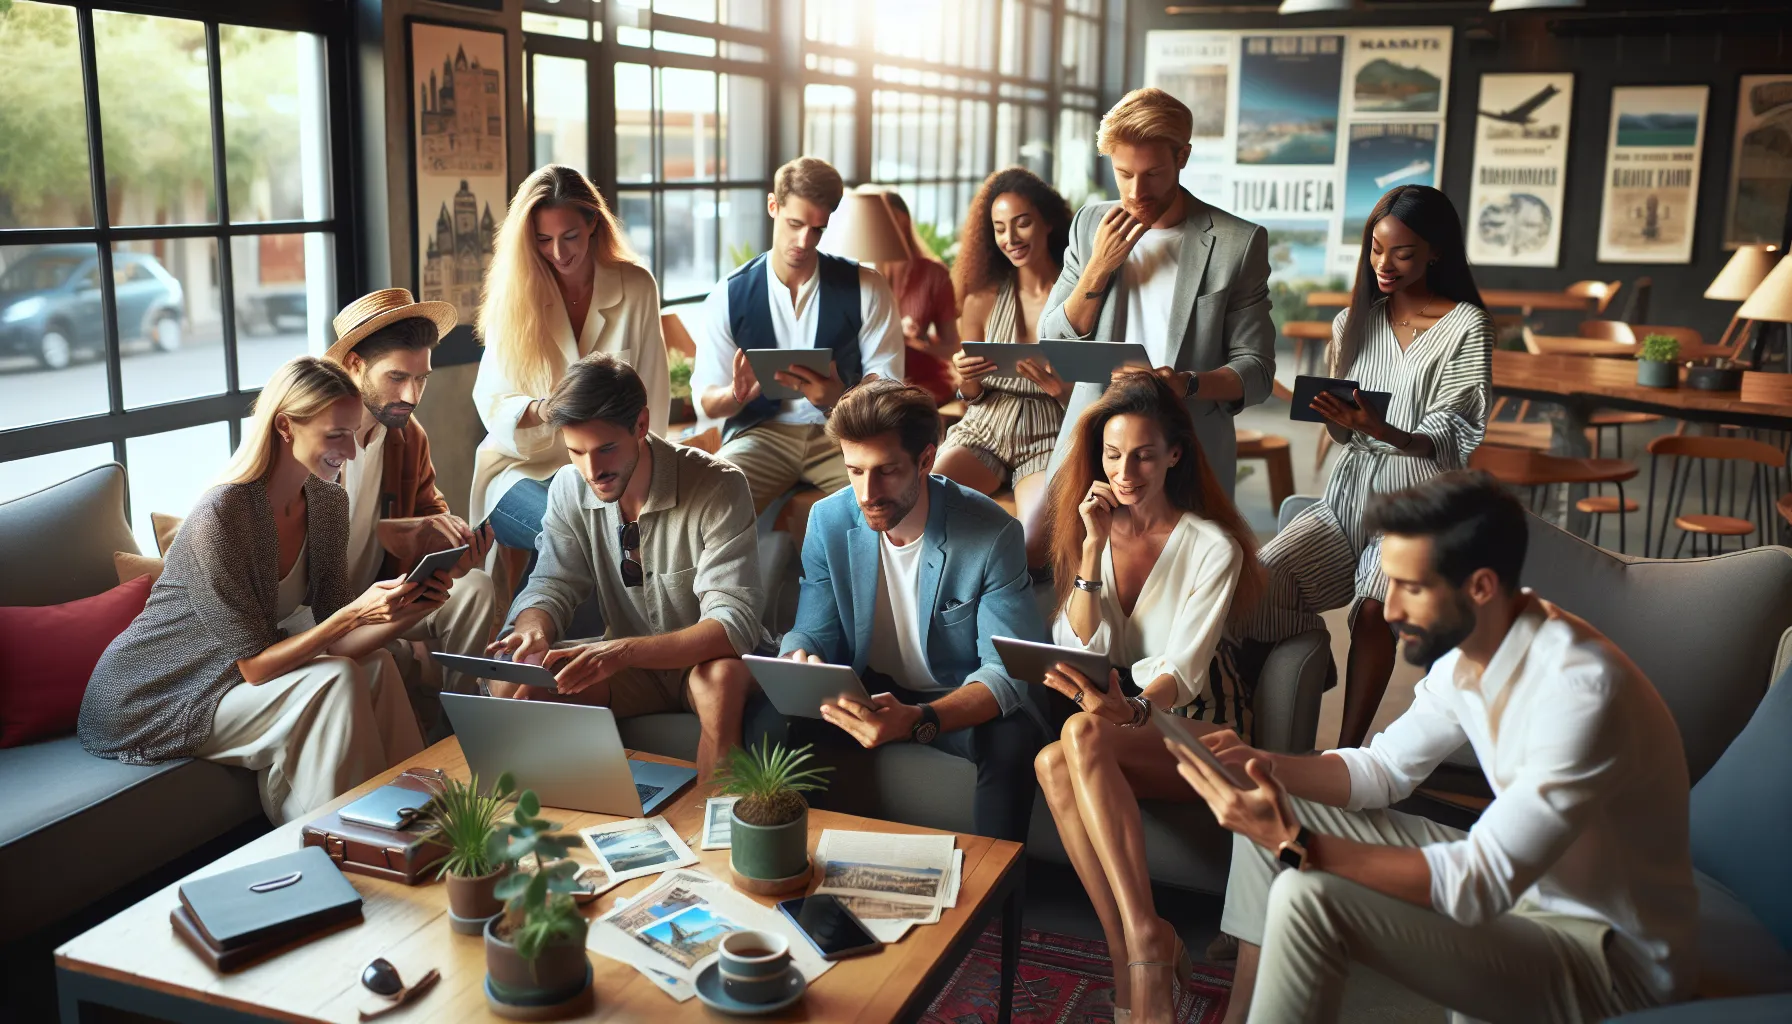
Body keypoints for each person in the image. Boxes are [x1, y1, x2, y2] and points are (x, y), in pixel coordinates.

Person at [1174, 471, 1695, 1024]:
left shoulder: (1579, 692)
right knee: (1274, 798)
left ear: (1481, 587)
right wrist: (1259, 763)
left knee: (1306, 891)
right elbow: (1383, 771)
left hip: (1608, 958)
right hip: (1530, 892)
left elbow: (1479, 881)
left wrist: (1297, 844)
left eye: (1411, 587)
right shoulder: (1470, 650)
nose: (1391, 609)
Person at [79, 357, 437, 824]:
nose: (351, 451)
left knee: (376, 665)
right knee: (339, 678)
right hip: (153, 693)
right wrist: (356, 613)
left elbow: (341, 640)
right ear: (286, 426)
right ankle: (350, 838)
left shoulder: (328, 503)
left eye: (352, 433)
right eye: (335, 435)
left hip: (235, 675)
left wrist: (410, 608)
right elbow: (255, 666)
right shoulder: (223, 515)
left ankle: (419, 821)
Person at [1029, 370, 1261, 1023]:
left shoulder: (1211, 546)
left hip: (1200, 724)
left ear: (1175, 454)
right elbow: (1077, 640)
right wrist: (1094, 551)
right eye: (1111, 454)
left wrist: (1128, 711)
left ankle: (1140, 946)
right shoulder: (1092, 528)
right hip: (1118, 717)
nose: (1124, 470)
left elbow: (1184, 671)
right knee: (1054, 757)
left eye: (1142, 454)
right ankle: (1137, 939)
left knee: (1078, 736)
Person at [1239, 185, 1493, 750]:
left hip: (1418, 507)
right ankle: (1295, 686)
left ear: (1435, 253)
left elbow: (1459, 430)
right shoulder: (1352, 322)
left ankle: (1348, 750)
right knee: (1258, 580)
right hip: (1346, 497)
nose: (1384, 263)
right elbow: (1340, 432)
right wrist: (1341, 420)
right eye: (1376, 248)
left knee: (1375, 608)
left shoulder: (1466, 327)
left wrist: (1387, 431)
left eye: (1402, 253)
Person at [770, 377, 1049, 843]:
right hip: (868, 686)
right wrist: (800, 661)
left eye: (886, 471)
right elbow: (811, 631)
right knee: (771, 718)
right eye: (854, 470)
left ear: (926, 460)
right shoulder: (828, 519)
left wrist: (921, 718)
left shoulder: (993, 534)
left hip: (952, 691)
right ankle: (797, 879)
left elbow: (1004, 675)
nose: (866, 492)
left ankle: (998, 903)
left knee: (1012, 742)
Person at [485, 353, 768, 781]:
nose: (592, 470)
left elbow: (733, 627)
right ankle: (565, 827)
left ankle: (719, 826)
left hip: (707, 661)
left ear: (640, 425)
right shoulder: (568, 485)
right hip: (629, 668)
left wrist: (620, 651)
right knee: (520, 683)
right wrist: (533, 628)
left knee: (720, 682)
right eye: (576, 452)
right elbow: (552, 582)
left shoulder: (720, 485)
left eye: (606, 449)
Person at [1039, 87, 1276, 498]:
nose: (1135, 193)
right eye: (1123, 174)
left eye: (1152, 174)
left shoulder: (1238, 242)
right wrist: (1098, 268)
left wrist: (1186, 383)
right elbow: (1055, 344)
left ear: (1181, 158)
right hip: (1095, 444)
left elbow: (1257, 372)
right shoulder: (1089, 224)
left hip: (1183, 449)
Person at [470, 164, 669, 567]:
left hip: (607, 469)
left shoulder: (636, 287)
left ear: (593, 222)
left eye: (570, 236)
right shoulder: (515, 297)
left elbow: (653, 395)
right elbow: (491, 399)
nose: (559, 253)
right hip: (521, 470)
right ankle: (546, 631)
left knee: (595, 542)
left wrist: (645, 481)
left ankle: (534, 632)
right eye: (543, 239)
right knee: (573, 538)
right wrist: (545, 409)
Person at [325, 288, 498, 740]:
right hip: (333, 607)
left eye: (422, 379)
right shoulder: (317, 442)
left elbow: (432, 515)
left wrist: (455, 550)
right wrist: (393, 533)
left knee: (477, 586)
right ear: (354, 365)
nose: (412, 395)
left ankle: (468, 732)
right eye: (397, 377)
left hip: (389, 591)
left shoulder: (407, 437)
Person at [692, 156, 904, 513]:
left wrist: (841, 396)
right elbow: (706, 400)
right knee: (709, 503)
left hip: (844, 433)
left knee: (890, 498)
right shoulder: (728, 294)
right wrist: (736, 394)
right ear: (773, 206)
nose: (804, 241)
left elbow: (890, 383)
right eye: (795, 223)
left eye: (817, 229)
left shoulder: (867, 287)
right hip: (761, 435)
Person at [936, 167, 1075, 566]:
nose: (1010, 239)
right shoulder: (981, 298)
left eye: (1022, 223)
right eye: (999, 228)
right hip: (985, 426)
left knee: (1034, 545)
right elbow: (971, 397)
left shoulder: (1080, 299)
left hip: (1049, 432)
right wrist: (967, 381)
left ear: (1048, 222)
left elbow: (1099, 389)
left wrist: (1061, 389)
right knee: (923, 506)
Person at [865, 186, 960, 406]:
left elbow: (953, 348)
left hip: (922, 381)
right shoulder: (865, 274)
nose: (881, 227)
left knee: (893, 409)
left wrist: (919, 343)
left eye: (888, 219)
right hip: (876, 382)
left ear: (904, 220)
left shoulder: (934, 274)